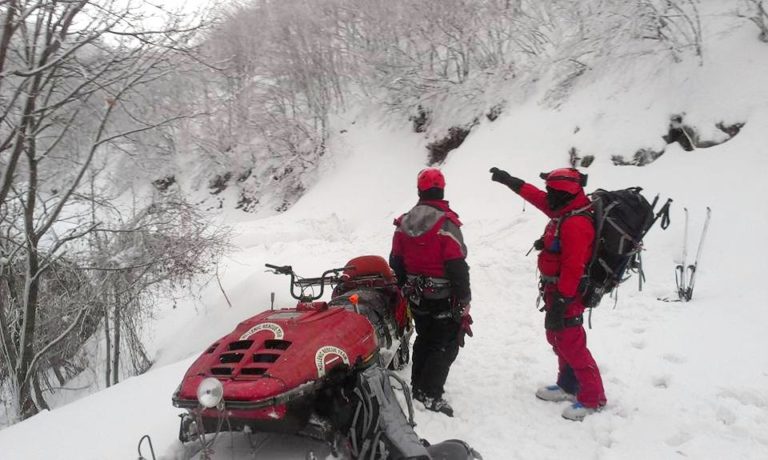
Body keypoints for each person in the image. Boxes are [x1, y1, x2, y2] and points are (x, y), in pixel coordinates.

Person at [489, 166, 606, 421]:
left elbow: (574, 267)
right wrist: (511, 180)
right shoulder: (564, 208)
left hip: (569, 293)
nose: (547, 196)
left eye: (552, 191)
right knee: (557, 338)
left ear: (564, 194)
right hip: (555, 289)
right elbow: (535, 196)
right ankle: (567, 384)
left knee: (571, 342)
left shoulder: (576, 222)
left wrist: (563, 300)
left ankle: (593, 397)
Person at [389, 167, 472, 417]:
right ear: (442, 190)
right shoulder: (446, 223)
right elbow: (457, 265)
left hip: (416, 295)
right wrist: (464, 298)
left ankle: (418, 387)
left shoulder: (403, 223)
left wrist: (405, 285)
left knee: (425, 337)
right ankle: (430, 393)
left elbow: (395, 260)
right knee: (445, 344)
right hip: (443, 296)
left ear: (419, 191)